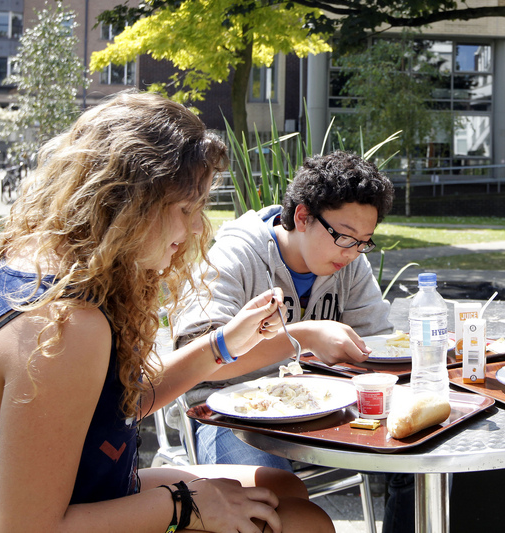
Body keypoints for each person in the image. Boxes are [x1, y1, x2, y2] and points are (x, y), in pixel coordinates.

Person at [0, 92, 333, 533]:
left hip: (76, 497)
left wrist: (224, 343)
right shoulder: (65, 326)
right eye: (186, 209)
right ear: (128, 204)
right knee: (304, 524)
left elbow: (118, 403)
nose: (193, 229)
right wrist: (184, 506)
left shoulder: (38, 264)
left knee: (281, 485)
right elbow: (23, 527)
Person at [172, 150, 410, 524]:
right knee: (272, 510)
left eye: (365, 242)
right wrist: (306, 336)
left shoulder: (349, 259)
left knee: (414, 460)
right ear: (302, 216)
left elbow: (375, 341)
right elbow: (196, 363)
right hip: (231, 420)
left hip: (321, 410)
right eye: (346, 238)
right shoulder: (236, 255)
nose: (353, 254)